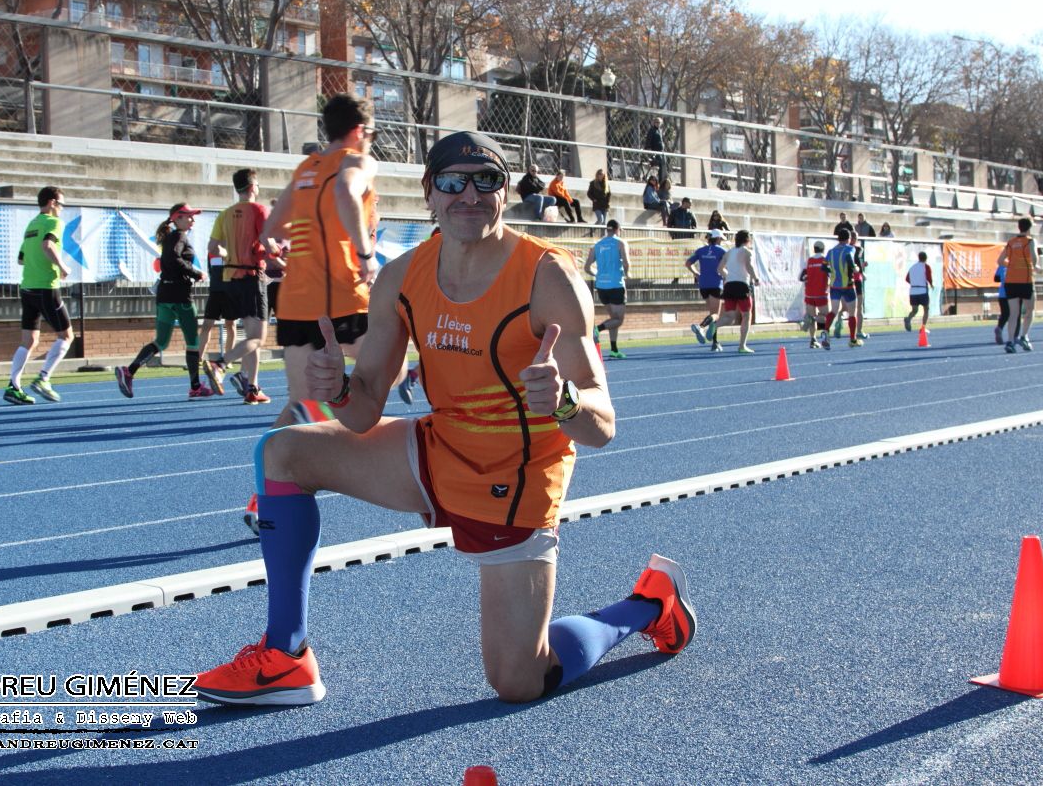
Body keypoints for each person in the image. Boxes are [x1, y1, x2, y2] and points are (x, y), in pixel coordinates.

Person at [192, 130, 695, 707]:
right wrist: (336, 390)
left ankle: (651, 603)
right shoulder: (403, 276)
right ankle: (286, 655)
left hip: (517, 476)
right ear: (430, 192)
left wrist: (564, 403)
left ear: (505, 193)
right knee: (284, 451)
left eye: (487, 181)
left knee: (518, 681)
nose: (470, 195)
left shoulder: (548, 277)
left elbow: (602, 427)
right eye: (453, 182)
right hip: (439, 449)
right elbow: (361, 416)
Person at [260, 93, 381, 429]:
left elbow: (272, 229)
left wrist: (313, 224)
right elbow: (344, 191)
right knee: (394, 368)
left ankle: (268, 476)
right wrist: (365, 254)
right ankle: (343, 406)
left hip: (296, 300)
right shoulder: (357, 161)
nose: (371, 142)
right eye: (372, 135)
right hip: (342, 290)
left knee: (303, 409)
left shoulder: (305, 169)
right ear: (359, 131)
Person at [115, 204, 212, 399]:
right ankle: (195, 386)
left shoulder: (170, 237)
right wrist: (196, 272)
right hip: (180, 296)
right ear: (177, 218)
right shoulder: (179, 236)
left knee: (161, 342)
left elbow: (168, 260)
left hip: (165, 295)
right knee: (193, 341)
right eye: (189, 216)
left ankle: (130, 371)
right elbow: (173, 258)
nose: (193, 220)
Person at [205, 169, 275, 404]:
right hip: (252, 277)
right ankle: (220, 364)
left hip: (231, 278)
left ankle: (252, 387)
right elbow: (267, 243)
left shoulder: (224, 215)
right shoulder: (259, 210)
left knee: (250, 336)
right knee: (258, 338)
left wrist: (230, 254)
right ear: (253, 186)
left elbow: (213, 247)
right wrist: (278, 251)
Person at [5, 186, 73, 406]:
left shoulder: (32, 224)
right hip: (46, 287)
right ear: (52, 202)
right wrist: (62, 266)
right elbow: (47, 245)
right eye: (61, 204)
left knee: (29, 340)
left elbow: (21, 258)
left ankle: (14, 387)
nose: (62, 209)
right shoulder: (54, 223)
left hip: (27, 287)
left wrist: (37, 263)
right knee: (66, 335)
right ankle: (43, 378)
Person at [705, 229, 759, 354]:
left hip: (729, 285)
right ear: (747, 240)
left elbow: (719, 269)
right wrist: (755, 278)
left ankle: (715, 325)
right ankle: (742, 345)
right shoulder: (747, 252)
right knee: (746, 315)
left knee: (729, 317)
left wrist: (728, 276)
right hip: (742, 285)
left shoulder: (729, 252)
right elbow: (749, 266)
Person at [584, 219, 630, 359]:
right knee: (619, 320)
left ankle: (614, 349)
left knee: (613, 319)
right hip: (616, 285)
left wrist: (597, 275)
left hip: (602, 286)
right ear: (618, 229)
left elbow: (586, 268)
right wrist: (627, 274)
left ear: (607, 229)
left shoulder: (597, 245)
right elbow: (627, 262)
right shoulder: (620, 243)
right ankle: (596, 330)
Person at [997, 217, 1038, 353]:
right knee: (1030, 310)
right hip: (1025, 280)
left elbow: (1000, 260)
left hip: (1011, 281)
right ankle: (1024, 336)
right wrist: (1030, 266)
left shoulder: (1011, 242)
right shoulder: (1030, 241)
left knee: (1013, 314)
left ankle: (1010, 341)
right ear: (1029, 228)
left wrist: (1013, 265)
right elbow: (1034, 259)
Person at [821, 227, 861, 350]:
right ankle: (853, 339)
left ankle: (826, 332)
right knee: (852, 313)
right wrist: (855, 268)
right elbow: (849, 257)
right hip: (848, 285)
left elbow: (823, 267)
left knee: (833, 310)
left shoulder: (831, 251)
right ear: (848, 239)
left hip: (834, 285)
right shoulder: (850, 248)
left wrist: (831, 272)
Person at [686, 229, 726, 345]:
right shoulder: (721, 251)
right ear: (718, 239)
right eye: (721, 239)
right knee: (716, 315)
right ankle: (701, 327)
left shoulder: (700, 250)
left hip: (703, 284)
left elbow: (688, 263)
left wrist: (696, 274)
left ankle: (715, 342)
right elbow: (725, 266)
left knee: (712, 315)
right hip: (715, 283)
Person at [799, 240, 830, 349]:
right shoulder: (825, 260)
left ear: (814, 249)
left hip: (809, 294)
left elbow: (801, 277)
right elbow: (831, 274)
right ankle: (814, 320)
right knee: (826, 317)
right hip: (821, 293)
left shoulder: (809, 260)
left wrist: (810, 277)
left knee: (811, 315)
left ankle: (813, 340)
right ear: (823, 249)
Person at [904, 251, 933, 331]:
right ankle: (923, 327)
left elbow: (907, 279)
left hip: (913, 291)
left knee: (915, 310)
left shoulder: (913, 267)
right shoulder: (926, 266)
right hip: (922, 290)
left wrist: (914, 282)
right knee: (926, 309)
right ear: (926, 258)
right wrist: (931, 284)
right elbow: (929, 277)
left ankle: (909, 318)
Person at [644, 116, 666, 181]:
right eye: (656, 122)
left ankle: (662, 177)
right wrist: (649, 150)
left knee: (663, 163)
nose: (657, 124)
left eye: (659, 122)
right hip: (655, 151)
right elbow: (648, 140)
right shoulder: (652, 130)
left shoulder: (659, 130)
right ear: (654, 123)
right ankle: (661, 179)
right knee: (660, 163)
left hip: (660, 151)